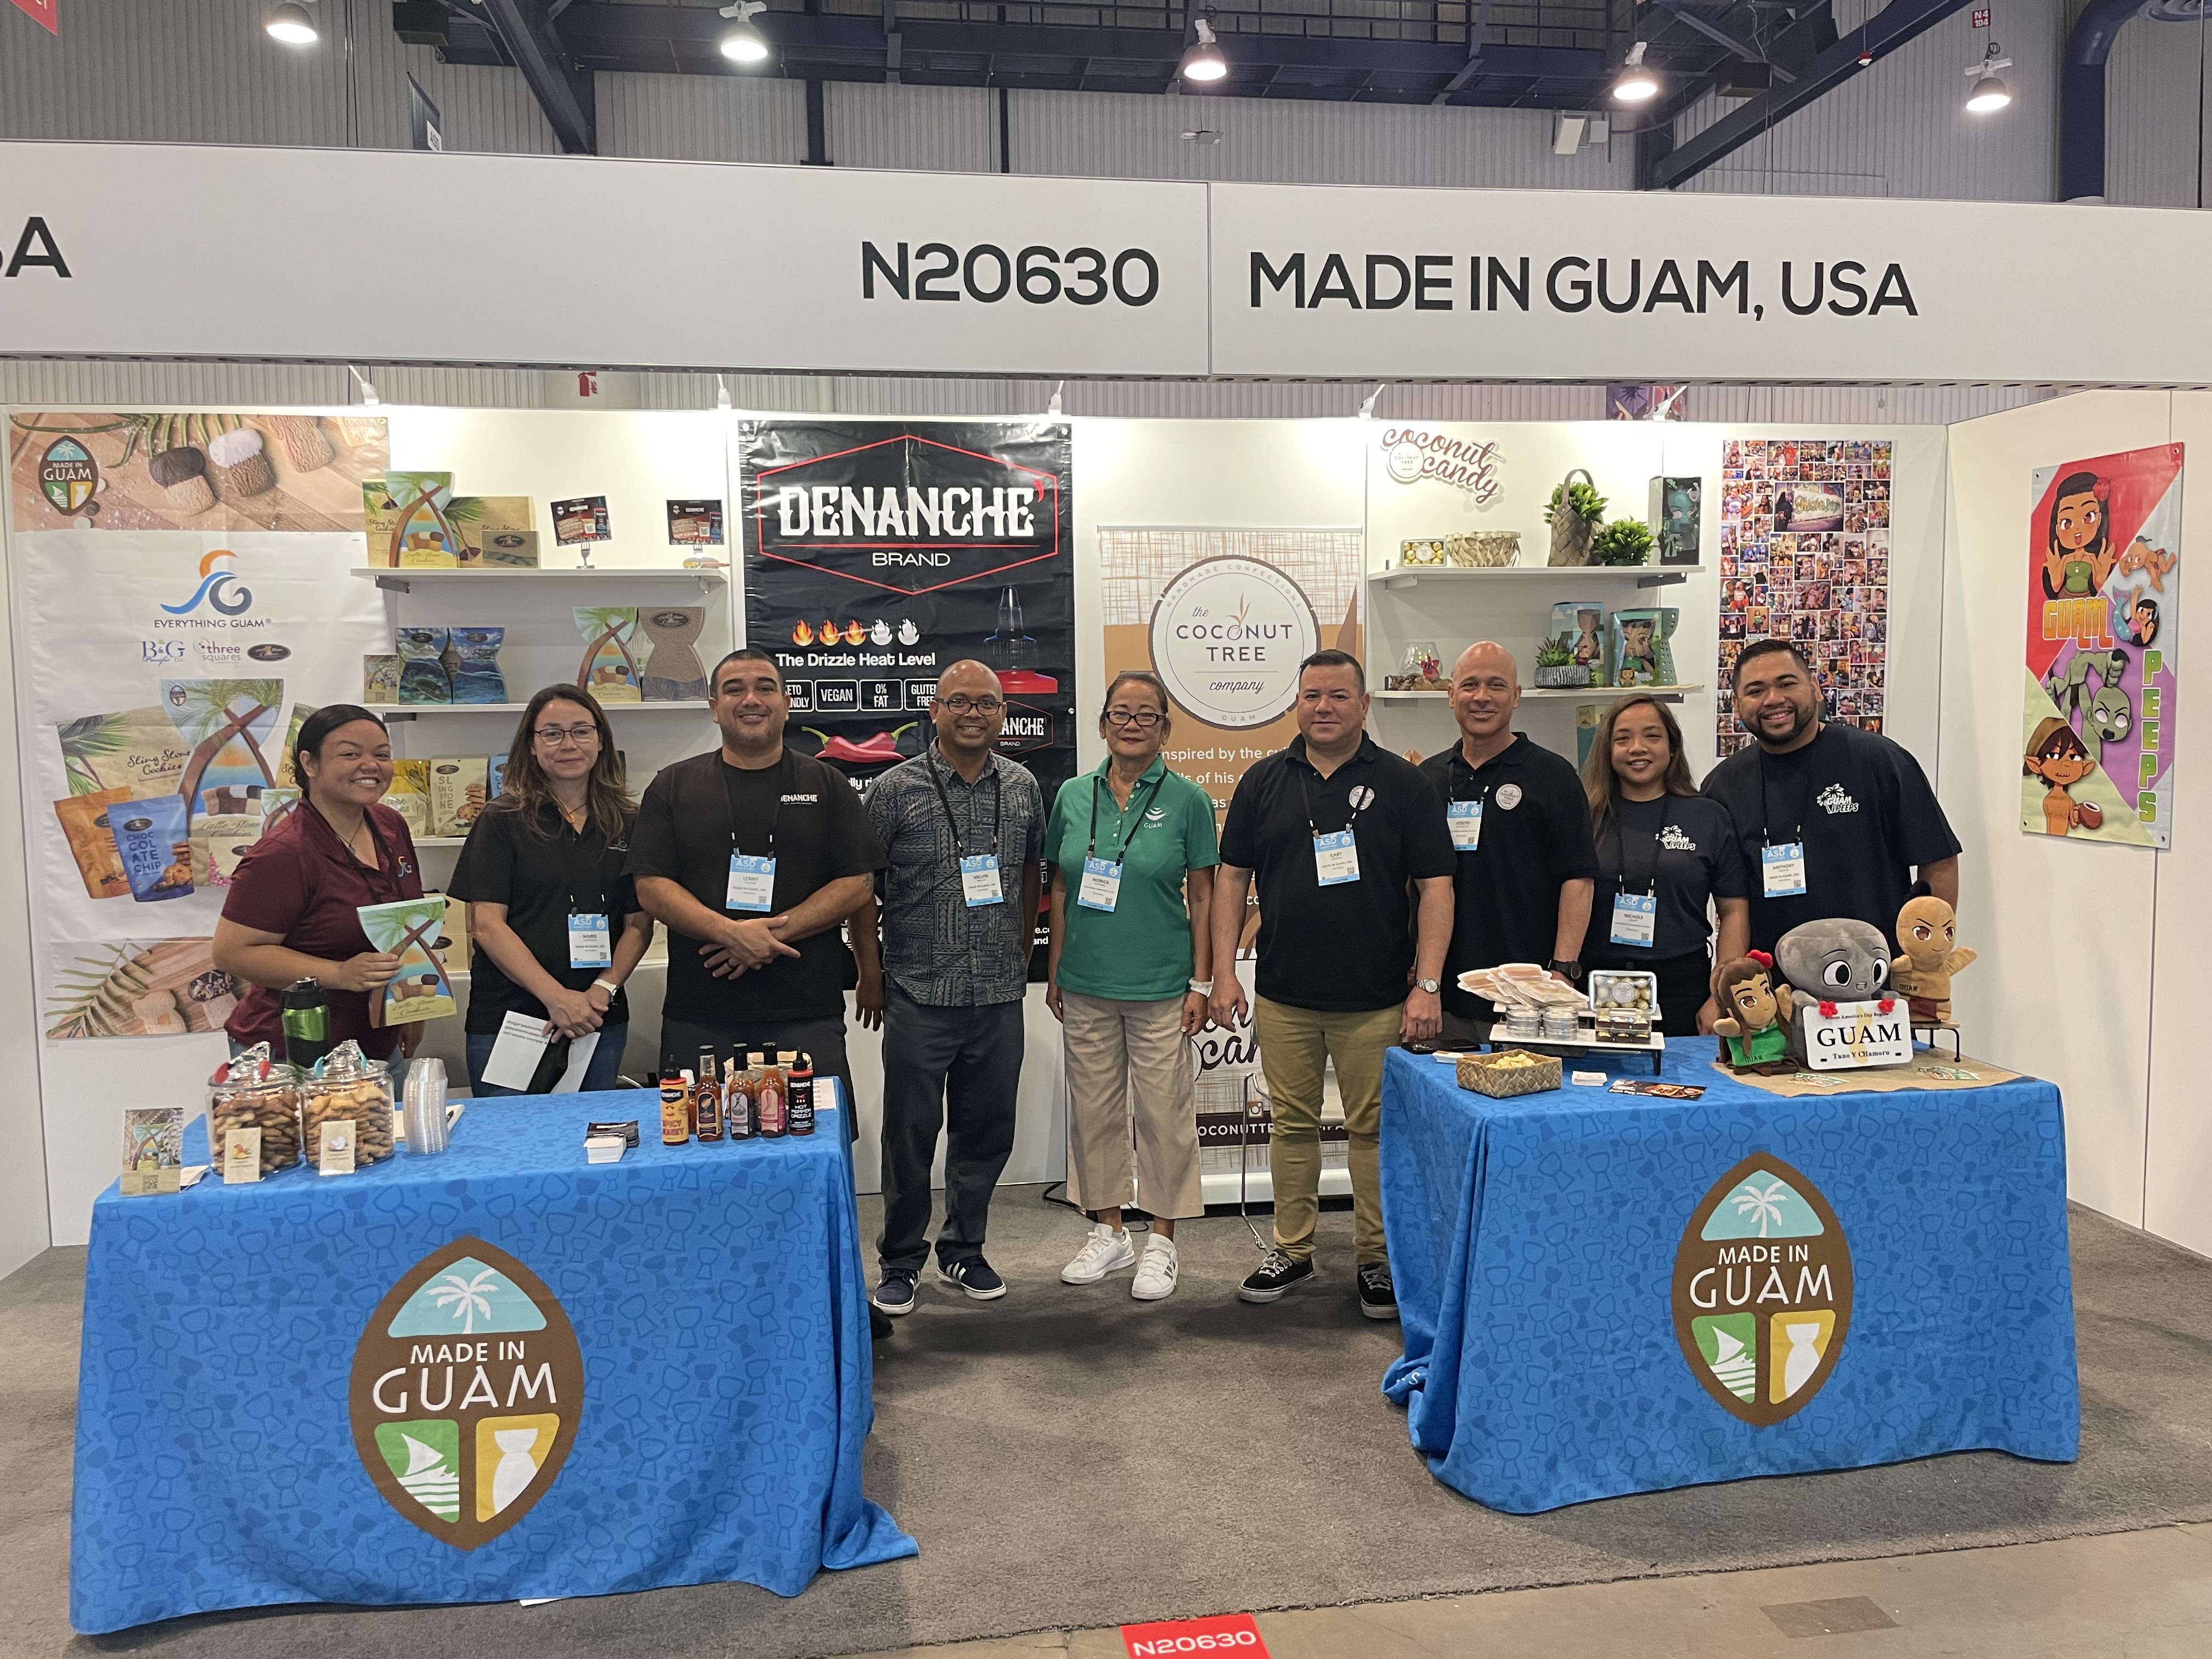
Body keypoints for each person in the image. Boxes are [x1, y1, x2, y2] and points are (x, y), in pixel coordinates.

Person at [1210, 650, 1455, 1319]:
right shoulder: (1263, 781)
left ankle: (1378, 1260)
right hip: (1284, 992)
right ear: (1296, 704)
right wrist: (1225, 970)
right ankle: (1293, 1248)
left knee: (1374, 1131)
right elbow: (1232, 878)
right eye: (1312, 695)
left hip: (1376, 996)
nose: (1325, 707)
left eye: (1339, 695)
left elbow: (1437, 886)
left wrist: (1426, 985)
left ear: (1364, 703)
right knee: (1290, 1126)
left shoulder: (1406, 787)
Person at [856, 661, 1046, 1315]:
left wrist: (1020, 951)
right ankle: (901, 1260)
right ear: (934, 711)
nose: (974, 713)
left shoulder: (1021, 786)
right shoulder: (893, 789)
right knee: (909, 1133)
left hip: (997, 993)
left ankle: (965, 1248)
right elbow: (861, 889)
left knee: (987, 1129)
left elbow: (1029, 872)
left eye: (988, 704)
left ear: (1002, 714)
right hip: (916, 989)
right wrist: (871, 974)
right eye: (959, 702)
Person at [625, 648, 882, 1112]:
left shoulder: (828, 784)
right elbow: (651, 885)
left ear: (786, 703)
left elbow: (858, 882)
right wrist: (728, 933)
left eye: (766, 687)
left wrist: (768, 936)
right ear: (713, 706)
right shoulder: (673, 786)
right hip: (700, 1012)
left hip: (807, 1011)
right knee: (704, 1149)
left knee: (814, 1144)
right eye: (734, 689)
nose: (751, 699)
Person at [1043, 670, 1219, 1302]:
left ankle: (1163, 1241)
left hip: (1162, 986)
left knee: (1164, 1117)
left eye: (1147, 715)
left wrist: (1202, 981)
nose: (1133, 724)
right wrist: (1058, 968)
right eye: (1121, 713)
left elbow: (1203, 895)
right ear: (1102, 723)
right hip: (1086, 984)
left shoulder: (1189, 800)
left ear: (1166, 729)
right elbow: (1061, 886)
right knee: (1093, 1114)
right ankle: (1110, 1232)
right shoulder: (1071, 794)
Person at [448, 685, 654, 1095]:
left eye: (581, 731)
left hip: (599, 1017)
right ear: (532, 744)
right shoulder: (502, 819)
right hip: (514, 1020)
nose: (568, 744)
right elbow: (487, 926)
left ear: (601, 741)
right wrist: (557, 998)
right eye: (552, 733)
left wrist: (603, 990)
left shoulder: (629, 821)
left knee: (596, 1144)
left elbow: (640, 922)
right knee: (512, 1150)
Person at [1703, 637, 1961, 957]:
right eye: (1755, 691)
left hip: (1875, 983)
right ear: (1737, 703)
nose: (1773, 699)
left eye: (1787, 683)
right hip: (1768, 987)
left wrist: (1927, 960)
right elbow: (1729, 902)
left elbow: (1938, 860)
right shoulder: (1722, 786)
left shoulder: (1879, 760)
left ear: (1814, 687)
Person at [213, 705, 424, 1068]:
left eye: (382, 754)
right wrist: (339, 974)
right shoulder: (285, 853)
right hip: (295, 1054)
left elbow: (404, 924)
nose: (370, 764)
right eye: (350, 754)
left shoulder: (389, 825)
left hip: (376, 1042)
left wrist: (412, 1011)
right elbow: (232, 953)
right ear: (310, 764)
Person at [1420, 642, 1597, 1043]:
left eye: (1496, 685)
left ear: (1516, 697)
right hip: (1444, 997)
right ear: (1450, 695)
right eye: (1470, 685)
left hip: (1529, 997)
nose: (1482, 697)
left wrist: (1562, 970)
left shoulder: (1554, 776)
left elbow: (1579, 880)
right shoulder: (1427, 779)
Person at [1577, 694, 1750, 1036]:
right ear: (1607, 751)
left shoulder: (1708, 817)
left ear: (1672, 746)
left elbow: (1734, 911)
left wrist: (1720, 995)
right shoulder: (1583, 817)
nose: (1637, 747)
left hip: (1683, 985)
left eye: (1652, 736)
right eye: (1622, 738)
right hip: (1593, 982)